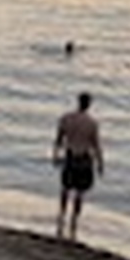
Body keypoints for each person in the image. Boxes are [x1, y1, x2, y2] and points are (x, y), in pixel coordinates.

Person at [53, 92, 103, 241]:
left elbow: (58, 140)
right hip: (83, 158)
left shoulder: (66, 119)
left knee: (65, 188)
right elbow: (96, 145)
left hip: (70, 156)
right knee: (80, 192)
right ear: (89, 104)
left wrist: (55, 156)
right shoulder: (92, 123)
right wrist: (100, 163)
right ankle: (74, 221)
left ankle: (61, 216)